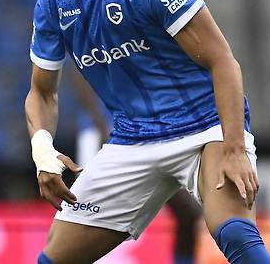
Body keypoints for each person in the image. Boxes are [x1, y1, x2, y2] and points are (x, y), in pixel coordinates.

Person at [25, 0, 270, 263]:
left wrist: (234, 149)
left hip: (203, 128)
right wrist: (42, 152)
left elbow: (222, 61)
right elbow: (42, 93)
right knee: (52, 260)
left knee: (234, 235)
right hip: (132, 138)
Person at [68, 67, 201, 264]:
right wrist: (101, 125)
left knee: (187, 212)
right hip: (103, 133)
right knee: (89, 217)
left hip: (145, 130)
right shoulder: (90, 47)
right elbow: (79, 73)